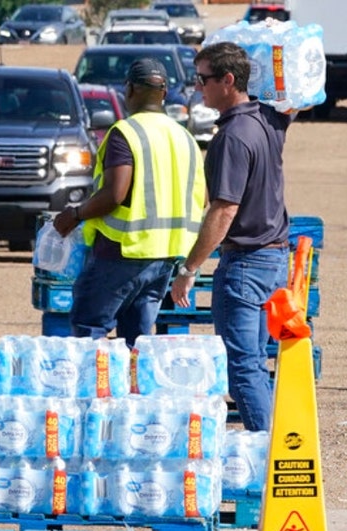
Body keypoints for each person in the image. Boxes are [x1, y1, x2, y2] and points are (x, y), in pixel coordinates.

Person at [171, 42, 292, 432]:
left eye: (203, 79)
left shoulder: (232, 138)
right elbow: (294, 102)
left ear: (228, 80)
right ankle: (272, 447)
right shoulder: (268, 120)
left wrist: (190, 268)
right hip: (272, 261)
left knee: (242, 368)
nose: (198, 87)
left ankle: (267, 457)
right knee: (254, 363)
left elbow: (223, 210)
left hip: (246, 265)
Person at [53, 58, 206, 347]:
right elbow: (203, 198)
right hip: (166, 255)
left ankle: (95, 391)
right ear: (163, 93)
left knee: (90, 329)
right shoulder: (186, 138)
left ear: (130, 90)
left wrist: (74, 215)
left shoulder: (125, 133)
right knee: (137, 340)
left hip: (122, 250)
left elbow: (114, 194)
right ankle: (132, 391)